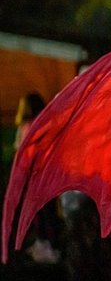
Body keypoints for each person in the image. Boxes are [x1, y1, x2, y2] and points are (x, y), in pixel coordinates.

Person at [14, 92, 61, 264]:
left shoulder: (28, 127)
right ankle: (47, 245)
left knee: (41, 214)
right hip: (43, 176)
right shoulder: (42, 124)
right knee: (45, 213)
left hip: (35, 177)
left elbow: (22, 152)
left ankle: (47, 245)